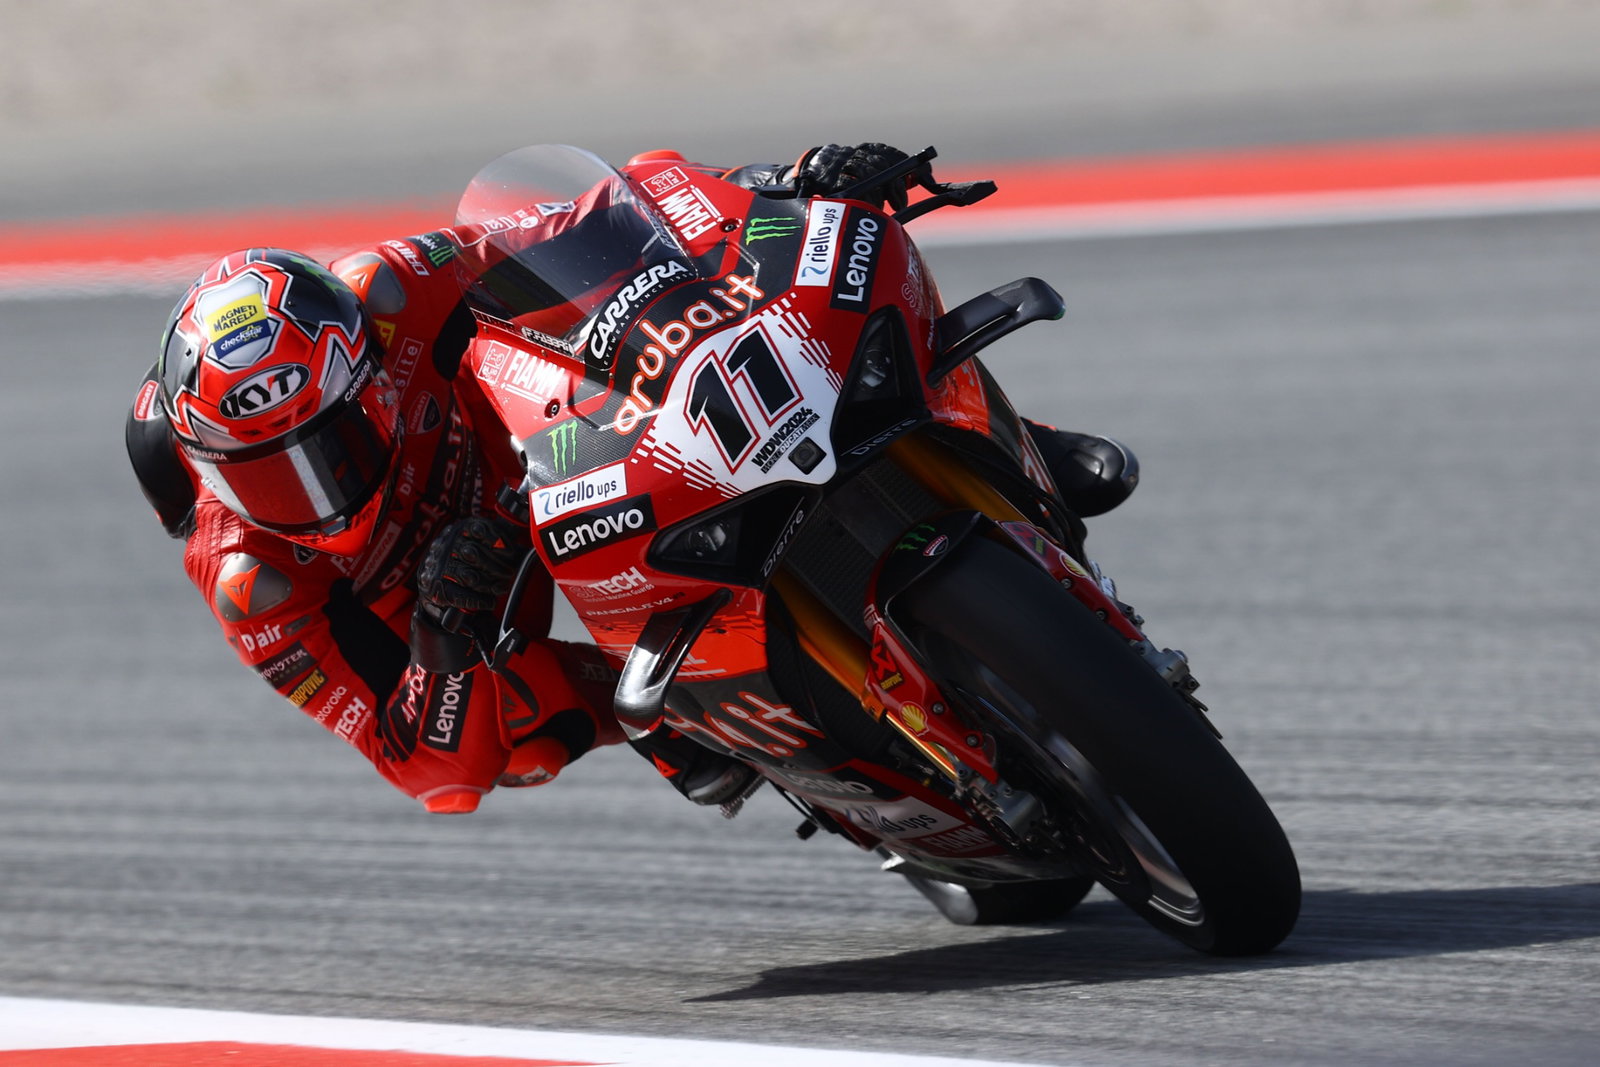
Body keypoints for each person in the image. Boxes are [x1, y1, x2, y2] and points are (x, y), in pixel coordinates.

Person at [125, 143, 1137, 816]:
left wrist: (782, 183)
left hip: (539, 442)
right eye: (269, 475)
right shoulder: (252, 579)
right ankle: (682, 709)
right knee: (517, 734)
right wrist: (440, 633)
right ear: (213, 469)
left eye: (326, 448)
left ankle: (1007, 439)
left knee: (784, 322)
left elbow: (589, 225)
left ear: (366, 379)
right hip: (449, 599)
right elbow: (429, 771)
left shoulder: (387, 290)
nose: (313, 491)